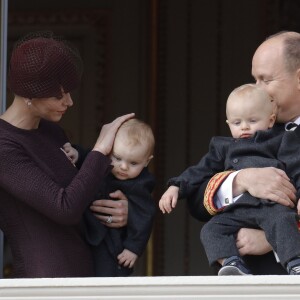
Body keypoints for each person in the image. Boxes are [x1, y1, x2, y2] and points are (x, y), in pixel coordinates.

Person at [0, 31, 134, 278]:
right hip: (44, 280)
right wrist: (100, 150)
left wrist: (121, 211)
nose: (69, 102)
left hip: (86, 270)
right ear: (29, 93)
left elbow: (82, 196)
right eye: (58, 95)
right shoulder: (4, 145)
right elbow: (65, 207)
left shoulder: (52, 132)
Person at [186, 31, 300, 275]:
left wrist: (271, 240)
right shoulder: (251, 129)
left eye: (265, 80)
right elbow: (196, 200)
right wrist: (241, 180)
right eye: (254, 79)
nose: (256, 89)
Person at [159, 84, 300, 275]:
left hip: (271, 206)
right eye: (237, 122)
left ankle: (295, 263)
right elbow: (200, 171)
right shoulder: (222, 146)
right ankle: (232, 264)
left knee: (282, 221)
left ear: (270, 120)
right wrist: (177, 186)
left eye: (252, 120)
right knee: (210, 230)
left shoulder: (282, 139)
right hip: (238, 209)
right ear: (228, 124)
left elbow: (295, 167)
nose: (244, 127)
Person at [65, 118, 156, 276]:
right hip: (85, 231)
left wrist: (133, 248)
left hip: (112, 242)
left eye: (133, 163)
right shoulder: (105, 164)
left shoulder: (140, 185)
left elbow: (145, 215)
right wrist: (77, 154)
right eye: (117, 158)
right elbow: (90, 158)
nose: (123, 167)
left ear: (147, 162)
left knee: (107, 273)